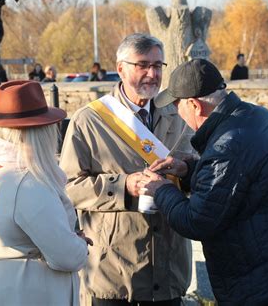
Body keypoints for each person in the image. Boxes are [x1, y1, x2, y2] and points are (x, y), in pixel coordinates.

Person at [138, 58, 268, 305]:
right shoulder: (256, 116)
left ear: (194, 105)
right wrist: (189, 169)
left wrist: (161, 190)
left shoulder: (227, 145)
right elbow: (237, 183)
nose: (176, 112)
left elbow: (197, 221)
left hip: (266, 282)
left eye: (176, 105)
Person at [60, 33, 193, 305]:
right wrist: (123, 186)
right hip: (114, 274)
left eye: (158, 66)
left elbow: (200, 169)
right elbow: (67, 187)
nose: (152, 73)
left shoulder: (179, 114)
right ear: (120, 68)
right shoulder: (89, 121)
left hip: (169, 267)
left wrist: (185, 169)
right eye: (142, 65)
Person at [0, 80, 91, 305]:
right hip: (29, 290)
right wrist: (79, 245)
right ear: (40, 132)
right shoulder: (28, 182)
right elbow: (66, 256)